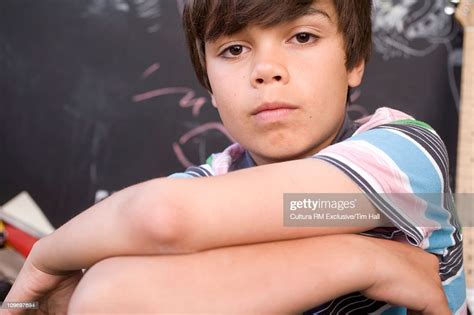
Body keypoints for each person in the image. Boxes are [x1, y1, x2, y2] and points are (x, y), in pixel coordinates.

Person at [2, 0, 466, 313]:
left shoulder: (404, 159)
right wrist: (363, 260)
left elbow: (162, 217)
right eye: (235, 48)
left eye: (302, 37)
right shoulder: (207, 184)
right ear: (208, 80)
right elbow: (107, 297)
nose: (266, 70)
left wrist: (44, 257)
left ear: (353, 60)